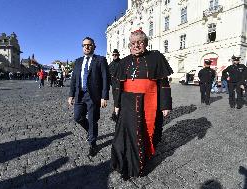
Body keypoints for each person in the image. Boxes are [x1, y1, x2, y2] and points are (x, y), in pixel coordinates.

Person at [110, 30, 173, 179]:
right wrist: (116, 105)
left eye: (140, 42)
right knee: (128, 136)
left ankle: (145, 158)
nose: (136, 45)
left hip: (149, 103)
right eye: (133, 43)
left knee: (147, 133)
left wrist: (165, 105)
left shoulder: (156, 57)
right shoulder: (124, 62)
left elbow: (163, 84)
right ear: (129, 45)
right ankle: (130, 164)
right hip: (128, 106)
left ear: (145, 43)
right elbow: (118, 86)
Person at [68, 37, 110, 157]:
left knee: (92, 120)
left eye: (89, 45)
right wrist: (71, 94)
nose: (86, 47)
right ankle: (91, 132)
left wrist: (104, 96)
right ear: (82, 47)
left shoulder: (100, 60)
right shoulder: (78, 61)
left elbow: (105, 78)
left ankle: (92, 143)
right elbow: (74, 79)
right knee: (78, 117)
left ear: (94, 46)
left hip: (94, 95)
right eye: (84, 45)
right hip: (80, 95)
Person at [109, 49, 121, 122]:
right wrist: (112, 83)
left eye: (116, 54)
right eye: (113, 55)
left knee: (120, 100)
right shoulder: (110, 64)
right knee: (116, 100)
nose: (114, 56)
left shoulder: (122, 63)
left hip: (121, 85)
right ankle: (115, 115)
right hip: (114, 86)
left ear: (118, 55)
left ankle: (117, 115)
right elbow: (108, 75)